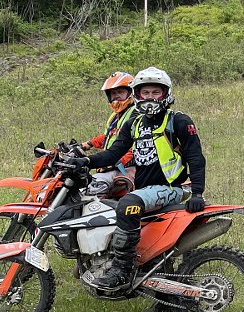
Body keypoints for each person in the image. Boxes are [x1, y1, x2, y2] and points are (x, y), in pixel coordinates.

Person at [67, 67, 207, 293]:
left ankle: (121, 270)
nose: (150, 97)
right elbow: (114, 152)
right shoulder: (135, 123)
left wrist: (198, 192)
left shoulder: (178, 121)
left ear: (166, 94)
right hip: (146, 189)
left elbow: (196, 157)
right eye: (145, 92)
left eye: (155, 92)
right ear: (137, 95)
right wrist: (86, 162)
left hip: (171, 188)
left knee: (128, 204)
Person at [80, 72, 136, 198]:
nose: (116, 97)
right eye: (113, 93)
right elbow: (109, 136)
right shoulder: (116, 116)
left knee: (96, 186)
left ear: (131, 93)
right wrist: (86, 145)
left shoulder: (136, 114)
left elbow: (135, 148)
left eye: (120, 92)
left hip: (131, 166)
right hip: (115, 162)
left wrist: (114, 163)